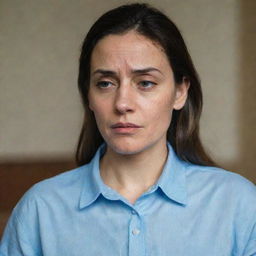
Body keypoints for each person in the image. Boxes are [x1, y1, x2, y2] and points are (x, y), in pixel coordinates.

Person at [1, 3, 255, 255]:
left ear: (180, 92)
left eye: (145, 83)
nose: (122, 103)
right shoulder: (41, 210)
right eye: (105, 83)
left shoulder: (238, 204)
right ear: (88, 95)